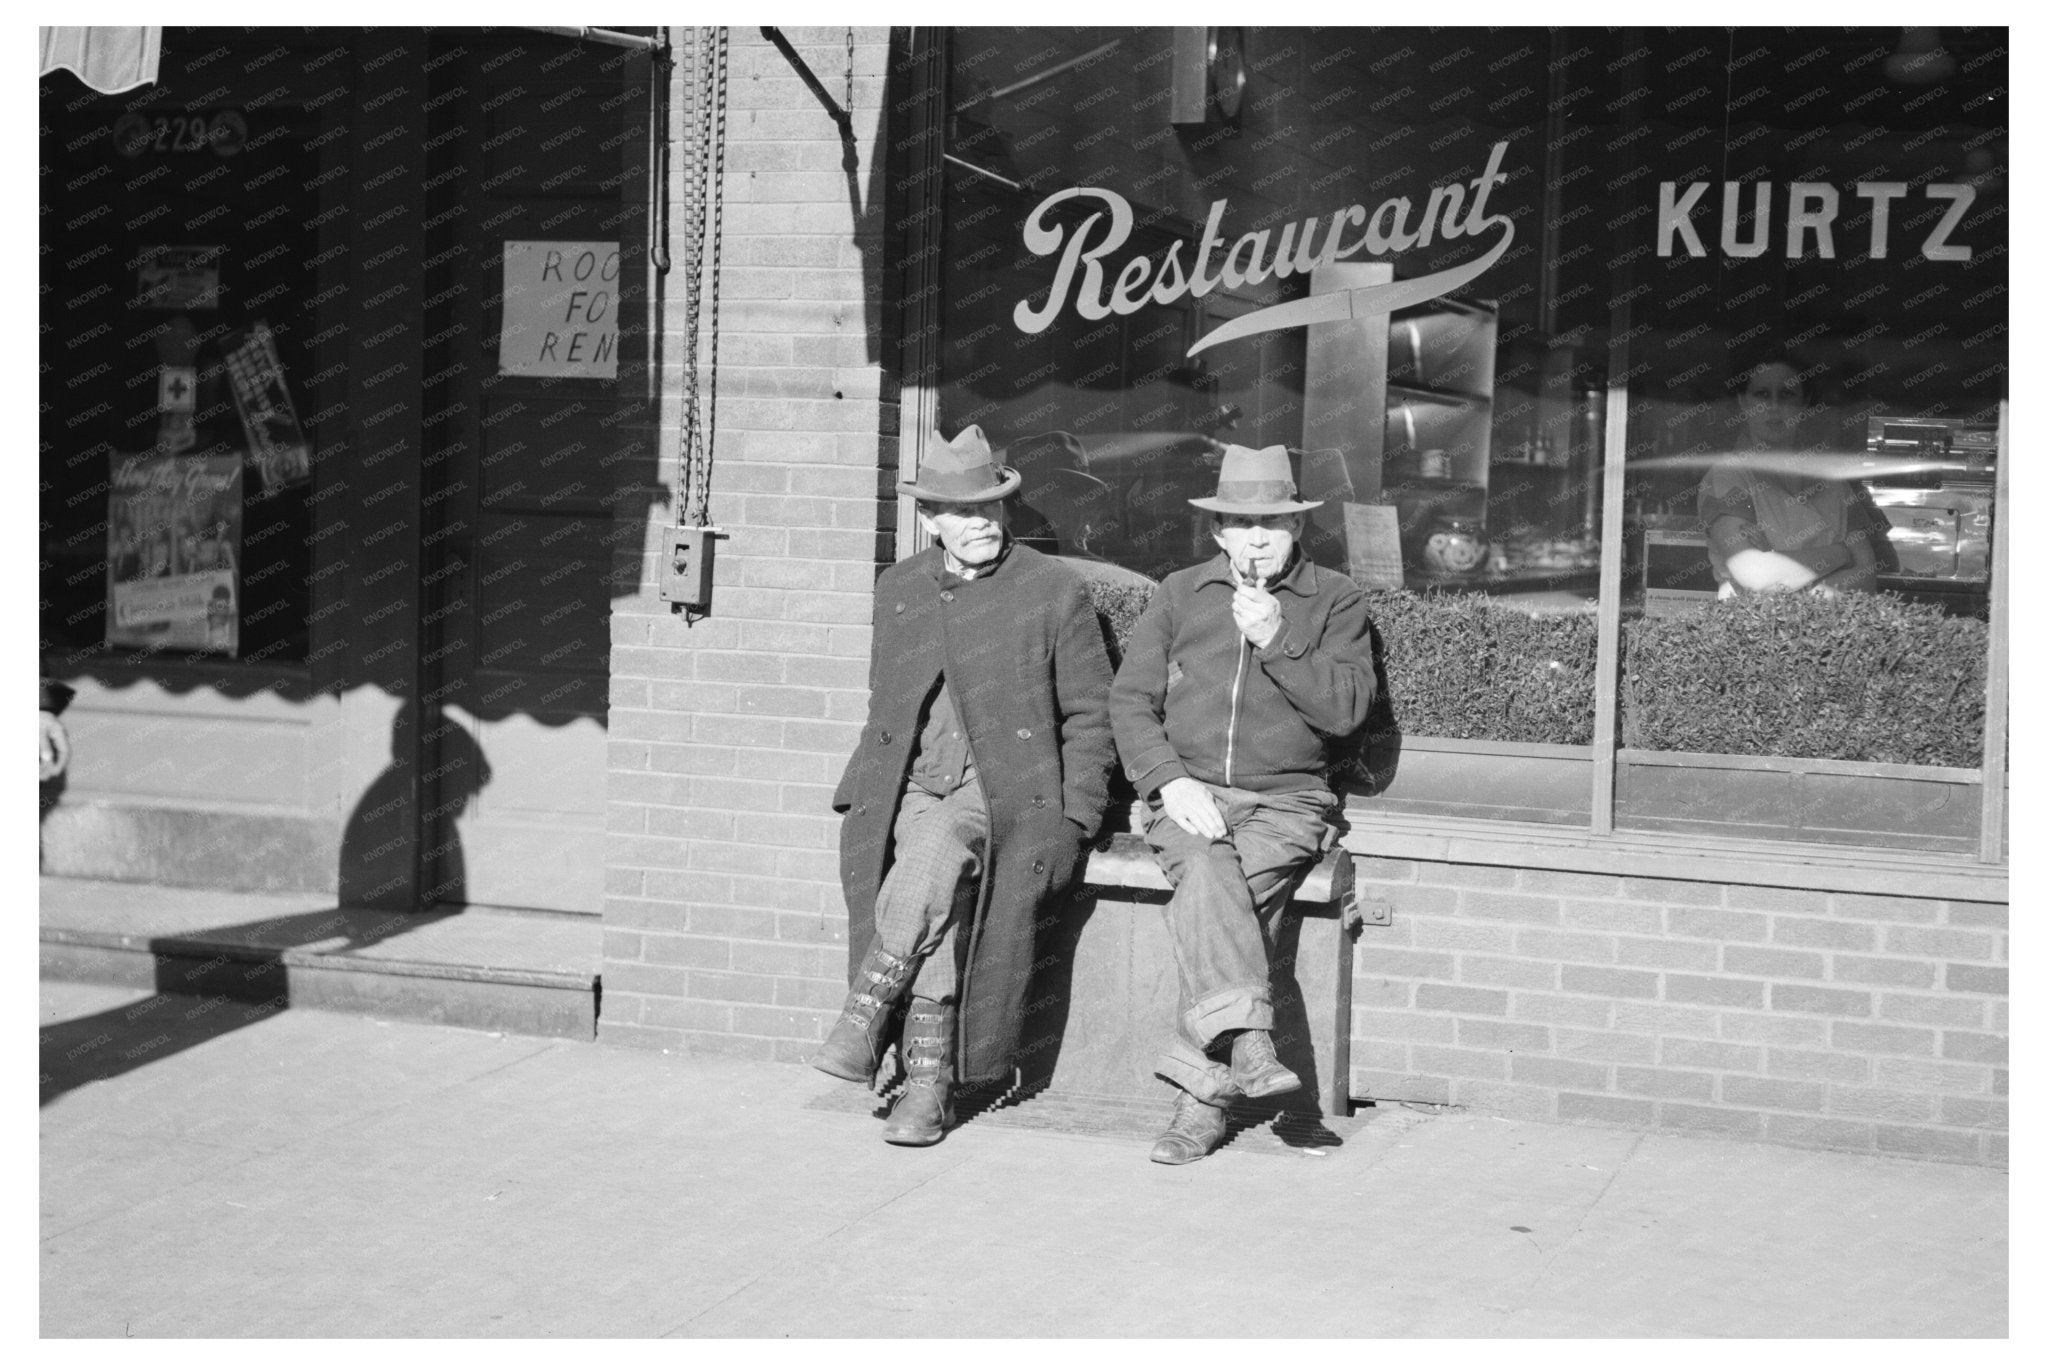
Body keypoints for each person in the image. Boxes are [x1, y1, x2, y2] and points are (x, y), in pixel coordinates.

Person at [818, 425, 1117, 1146]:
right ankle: (927, 1091)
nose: (983, 521)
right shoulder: (899, 587)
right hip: (914, 783)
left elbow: (1091, 717)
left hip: (1006, 790)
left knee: (941, 845)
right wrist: (863, 786)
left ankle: (865, 1013)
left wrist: (1074, 820)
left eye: (993, 506)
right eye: (964, 510)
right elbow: (884, 699)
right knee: (939, 892)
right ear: (930, 520)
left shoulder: (1052, 591)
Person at [1109, 443, 1377, 1165]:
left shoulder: (1336, 599)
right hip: (1189, 795)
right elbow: (1130, 701)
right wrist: (1169, 779)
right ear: (1218, 531)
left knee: (1218, 894)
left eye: (1274, 523)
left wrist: (1277, 638)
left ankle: (1201, 1101)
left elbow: (1347, 711)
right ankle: (1251, 1048)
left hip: (1289, 801)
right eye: (1241, 522)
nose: (1257, 537)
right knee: (1212, 875)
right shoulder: (1178, 593)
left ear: (1297, 530)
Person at [1697, 353, 1896, 596]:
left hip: (1833, 632)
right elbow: (1755, 577)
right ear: (1742, 401)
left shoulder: (1833, 483)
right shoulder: (1728, 475)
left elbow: (1865, 579)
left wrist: (1779, 566)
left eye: (1787, 394)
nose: (1774, 406)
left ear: (1804, 403)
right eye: (1762, 394)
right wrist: (1841, 553)